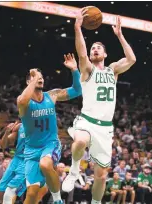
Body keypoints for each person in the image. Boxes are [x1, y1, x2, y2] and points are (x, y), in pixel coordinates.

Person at [62, 7, 136, 204]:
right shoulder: (87, 70)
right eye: (93, 47)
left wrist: (120, 35)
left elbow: (131, 59)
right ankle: (74, 170)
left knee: (101, 175)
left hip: (105, 128)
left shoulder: (113, 70)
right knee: (79, 142)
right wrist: (77, 28)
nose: (94, 49)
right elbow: (82, 53)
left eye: (98, 48)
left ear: (105, 54)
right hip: (86, 120)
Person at [17, 54, 82, 204]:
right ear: (28, 81)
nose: (40, 78)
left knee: (45, 164)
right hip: (31, 150)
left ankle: (58, 199)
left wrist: (74, 70)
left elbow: (77, 90)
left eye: (41, 77)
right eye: (35, 77)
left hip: (50, 143)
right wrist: (33, 80)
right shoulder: (23, 102)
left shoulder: (51, 95)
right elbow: (23, 100)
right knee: (31, 194)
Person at [0, 121, 48, 204]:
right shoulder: (20, 127)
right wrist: (7, 132)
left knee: (10, 190)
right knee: (1, 191)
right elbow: (4, 145)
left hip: (28, 162)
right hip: (16, 159)